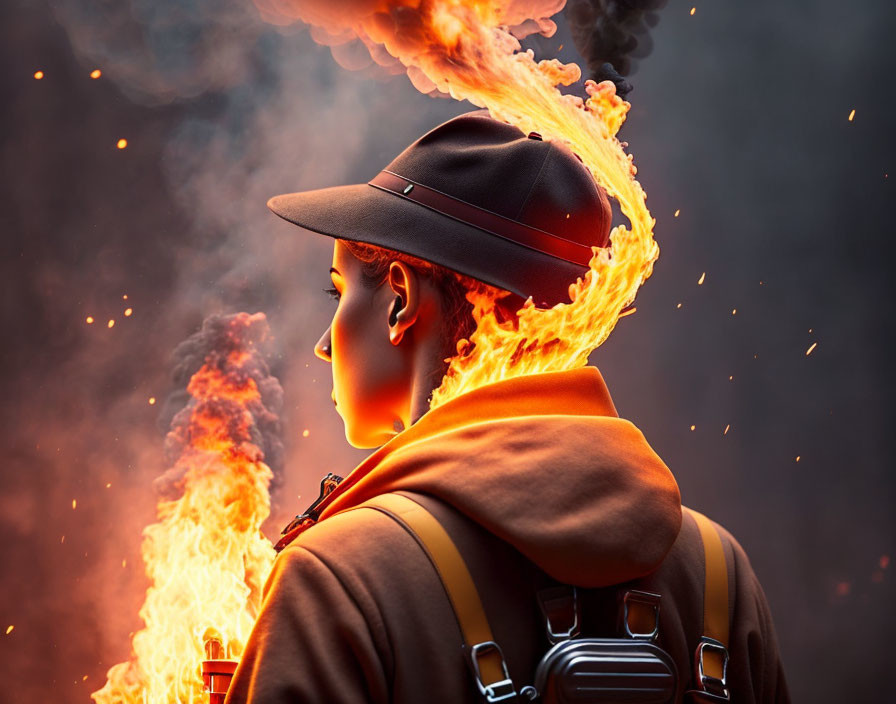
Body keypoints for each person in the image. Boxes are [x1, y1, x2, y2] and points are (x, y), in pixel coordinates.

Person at [224, 111, 789, 703]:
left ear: (399, 299)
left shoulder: (336, 579)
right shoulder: (723, 578)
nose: (323, 343)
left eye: (338, 293)